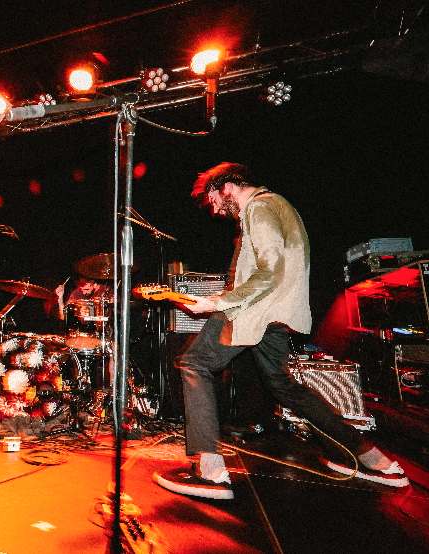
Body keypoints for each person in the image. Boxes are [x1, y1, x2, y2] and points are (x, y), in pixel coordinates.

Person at [154, 162, 408, 500]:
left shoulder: (258, 208)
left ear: (226, 185)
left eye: (212, 199)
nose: (214, 209)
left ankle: (211, 472)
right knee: (284, 387)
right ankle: (370, 459)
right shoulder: (277, 206)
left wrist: (216, 302)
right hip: (273, 315)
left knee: (194, 364)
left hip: (252, 313)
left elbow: (269, 271)